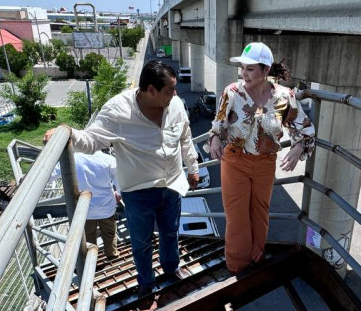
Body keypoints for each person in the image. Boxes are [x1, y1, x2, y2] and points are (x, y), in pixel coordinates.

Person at [44, 61, 200, 296]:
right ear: (150, 90)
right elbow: (92, 140)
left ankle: (171, 270)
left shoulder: (175, 105)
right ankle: (146, 285)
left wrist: (193, 167)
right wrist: (67, 133)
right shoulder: (118, 111)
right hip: (138, 192)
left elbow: (185, 137)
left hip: (172, 184)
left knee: (171, 233)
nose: (175, 95)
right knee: (142, 242)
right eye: (169, 90)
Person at [207, 42, 315, 273]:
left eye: (250, 69)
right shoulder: (232, 92)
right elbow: (219, 124)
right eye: (242, 68)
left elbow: (304, 129)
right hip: (235, 161)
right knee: (237, 219)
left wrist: (298, 148)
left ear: (266, 71)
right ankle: (237, 266)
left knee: (260, 214)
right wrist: (215, 138)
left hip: (266, 162)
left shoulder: (284, 97)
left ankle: (256, 260)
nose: (243, 74)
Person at [52, 151, 121, 261]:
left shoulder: (71, 159)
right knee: (110, 233)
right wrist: (119, 194)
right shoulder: (108, 159)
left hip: (84, 208)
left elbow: (51, 174)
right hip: (106, 206)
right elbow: (120, 180)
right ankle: (112, 254)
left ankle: (91, 261)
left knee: (88, 237)